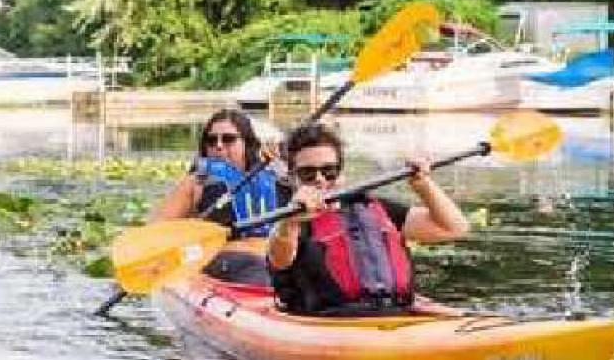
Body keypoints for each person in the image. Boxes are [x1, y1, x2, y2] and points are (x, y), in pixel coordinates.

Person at [267, 124, 469, 315]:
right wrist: (290, 222)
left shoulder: (375, 208)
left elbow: (453, 228)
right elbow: (280, 259)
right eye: (307, 173)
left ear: (341, 173)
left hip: (393, 314)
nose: (320, 179)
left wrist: (422, 184)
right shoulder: (290, 222)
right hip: (325, 320)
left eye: (329, 171)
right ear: (292, 177)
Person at [152, 108, 289, 285]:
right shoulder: (197, 182)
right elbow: (158, 230)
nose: (218, 145)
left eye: (228, 139)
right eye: (211, 140)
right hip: (229, 262)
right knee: (259, 269)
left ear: (247, 143)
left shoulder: (276, 174)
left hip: (277, 259)